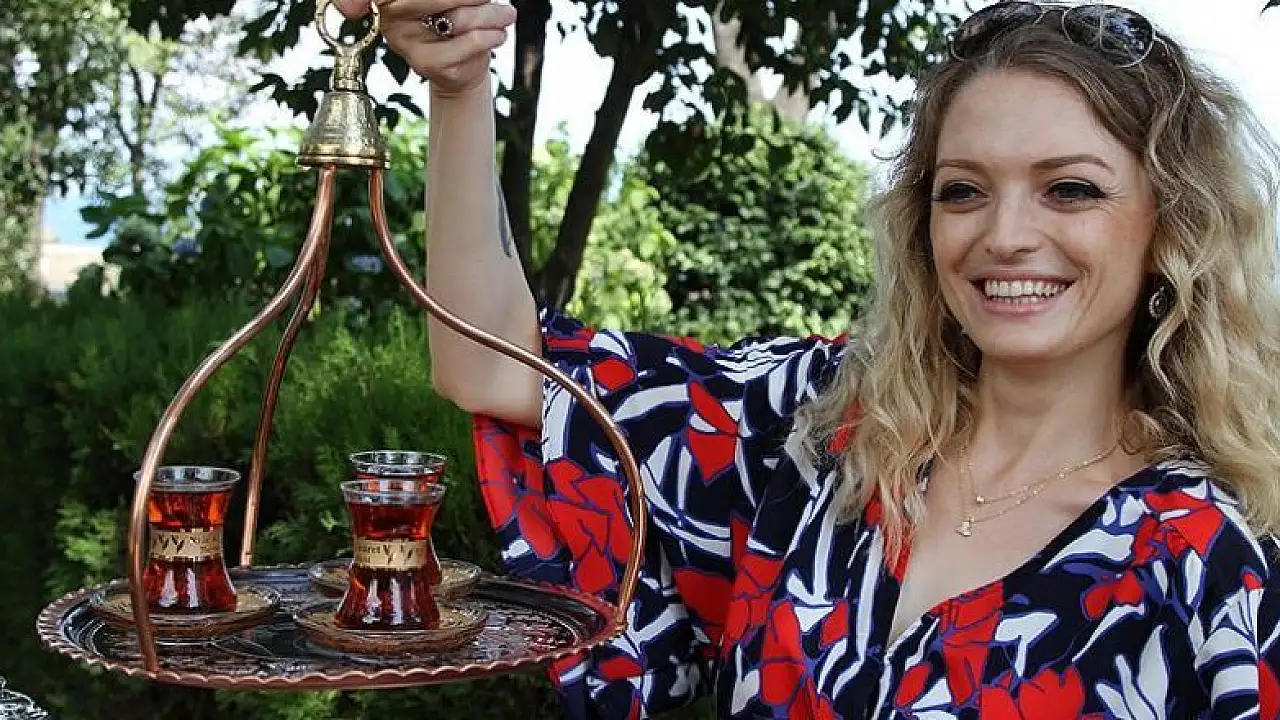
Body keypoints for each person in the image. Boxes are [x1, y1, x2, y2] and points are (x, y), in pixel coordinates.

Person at [341, 1, 1280, 717]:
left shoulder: (1208, 564)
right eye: (963, 191)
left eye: (1069, 189)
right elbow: (491, 366)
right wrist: (460, 88)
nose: (1004, 235)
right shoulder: (817, 428)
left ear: (1172, 225)